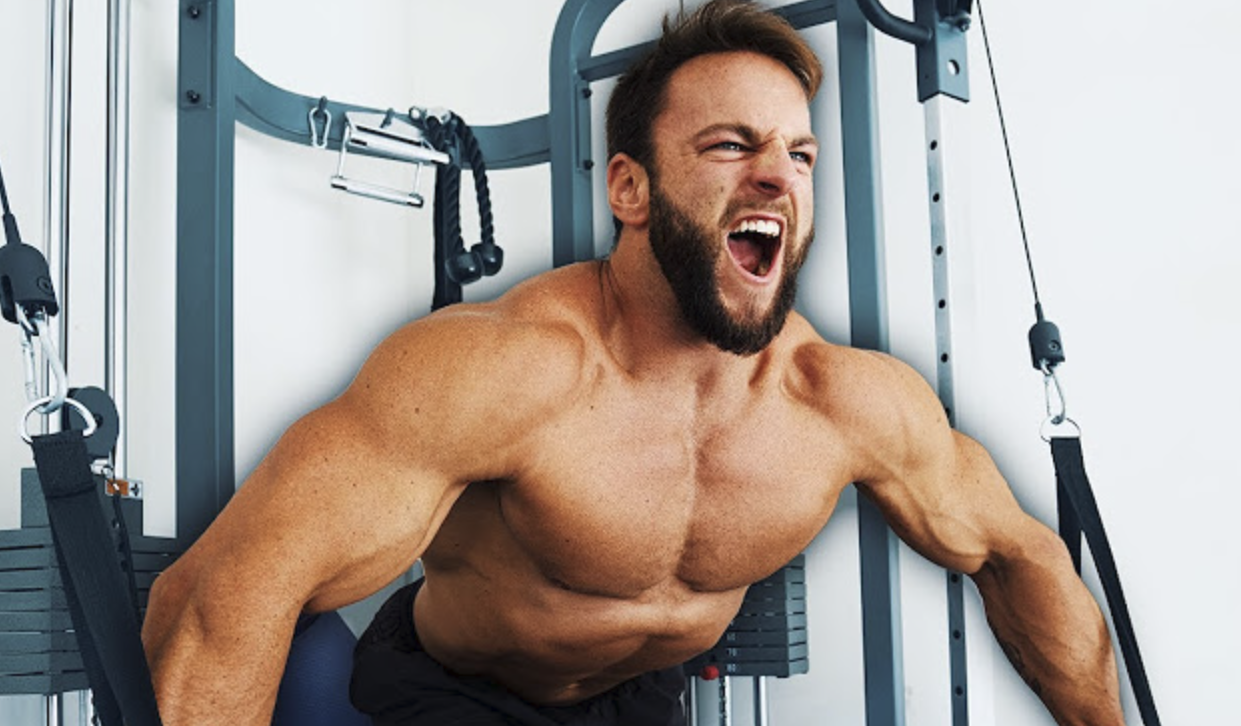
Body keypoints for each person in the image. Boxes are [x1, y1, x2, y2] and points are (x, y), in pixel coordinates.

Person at [142, 1, 1126, 724]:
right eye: (730, 146)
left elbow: (1017, 556)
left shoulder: (848, 403)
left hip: (640, 704)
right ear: (629, 188)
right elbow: (221, 594)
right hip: (452, 696)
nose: (776, 177)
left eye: (797, 155)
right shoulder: (503, 375)